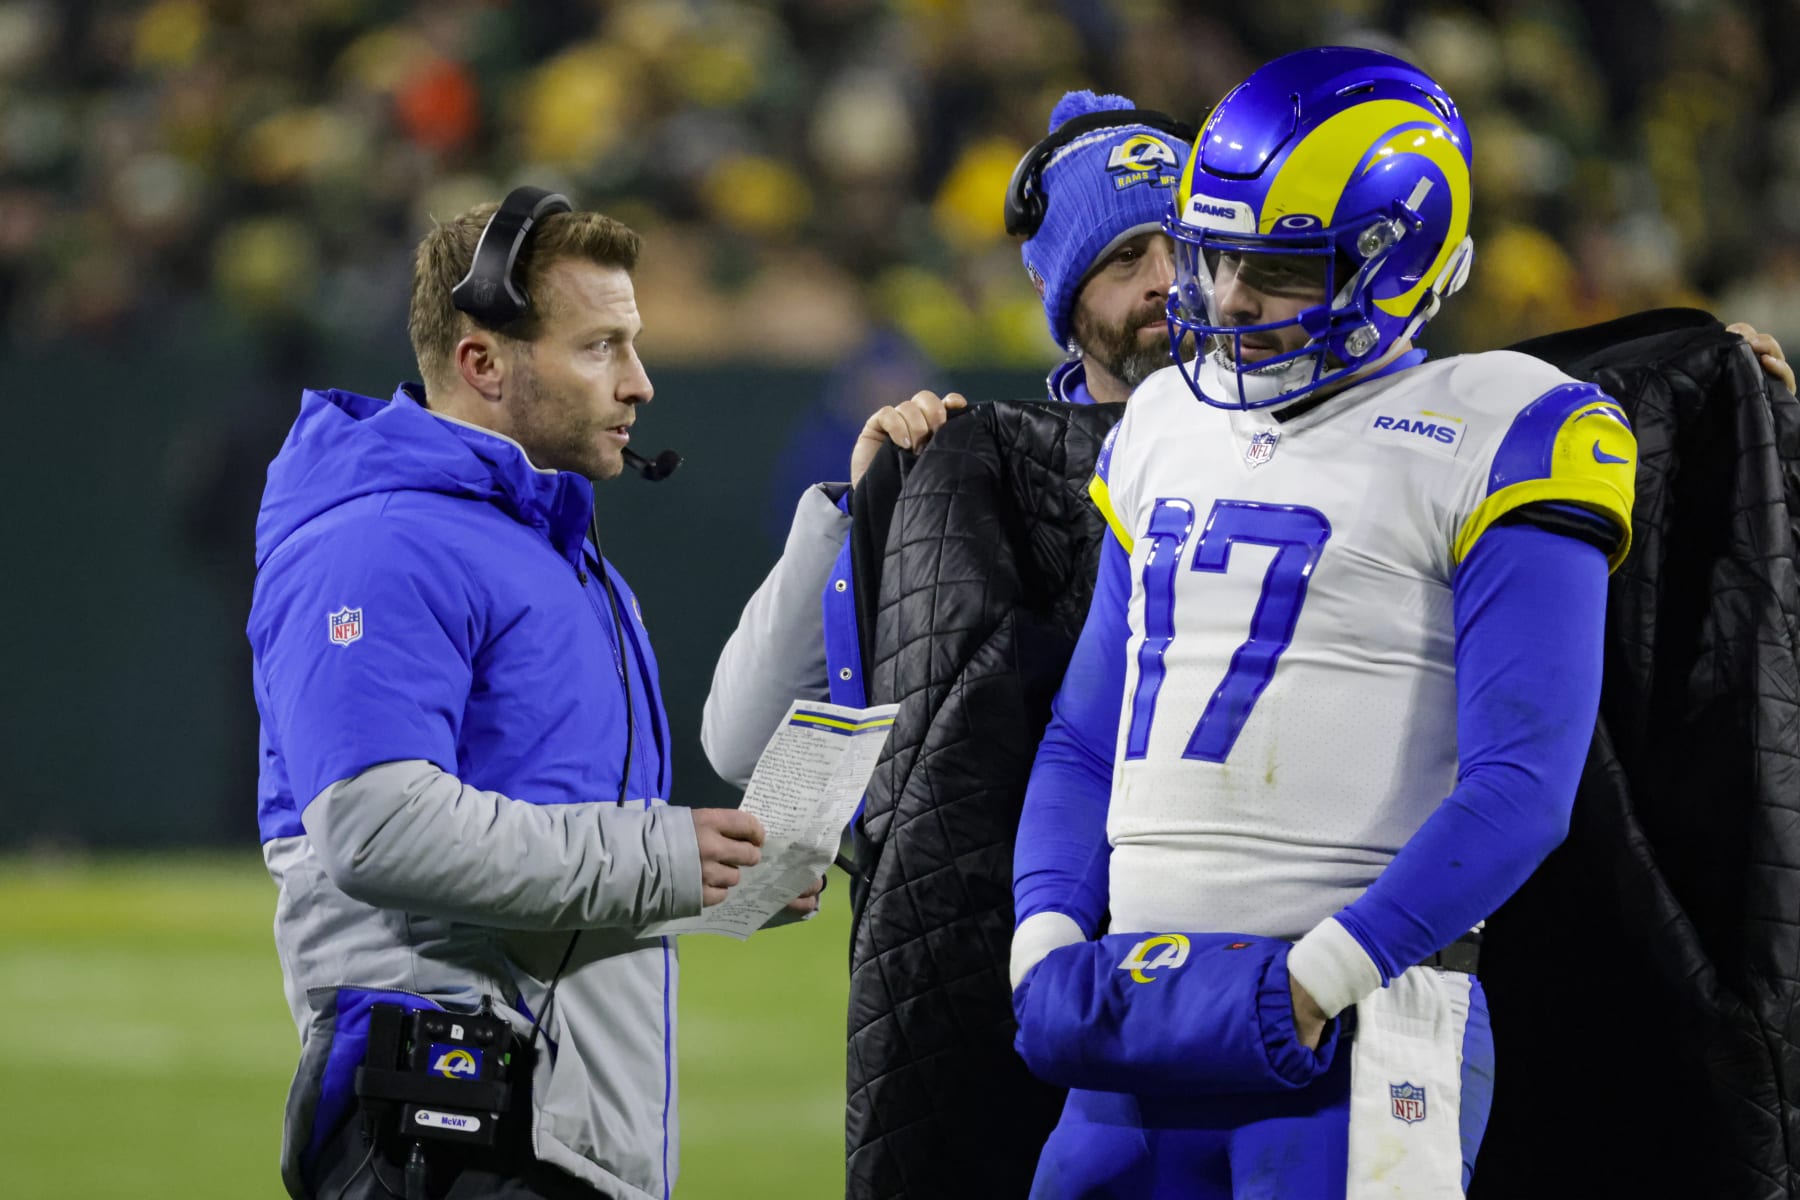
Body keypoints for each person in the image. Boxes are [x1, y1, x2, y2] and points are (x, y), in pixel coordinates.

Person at [1004, 45, 1647, 1196]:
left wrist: (1316, 979)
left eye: (1280, 268)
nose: (1232, 298)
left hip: (1358, 1021)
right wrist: (1045, 936)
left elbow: (1522, 787)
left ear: (1393, 264)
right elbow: (1083, 737)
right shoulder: (1165, 421)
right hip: (1134, 1026)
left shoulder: (1507, 428)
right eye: (1219, 260)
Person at [248, 190, 810, 1200]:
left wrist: (713, 876)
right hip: (445, 1132)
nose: (639, 384)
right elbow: (374, 827)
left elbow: (546, 874)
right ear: (483, 363)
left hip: (542, 1132)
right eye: (600, 347)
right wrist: (658, 853)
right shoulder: (380, 540)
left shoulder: (553, 551)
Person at [700, 90, 1195, 791]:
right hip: (1022, 893)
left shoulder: (1300, 445)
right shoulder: (991, 476)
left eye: (1189, 248)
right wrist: (861, 520)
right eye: (1124, 258)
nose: (1166, 281)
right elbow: (746, 745)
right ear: (1053, 286)